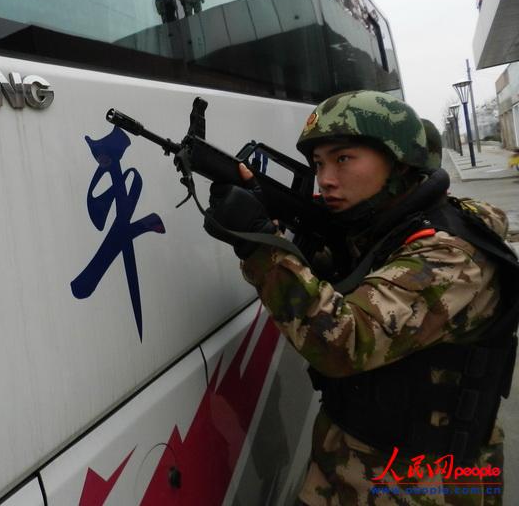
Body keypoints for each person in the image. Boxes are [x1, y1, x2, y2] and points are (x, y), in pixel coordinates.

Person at [204, 90, 519, 504]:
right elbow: (346, 272)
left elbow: (345, 341)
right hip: (347, 467)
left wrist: (263, 245)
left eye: (344, 159)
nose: (326, 179)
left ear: (399, 163)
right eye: (318, 164)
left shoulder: (449, 255)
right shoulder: (385, 227)